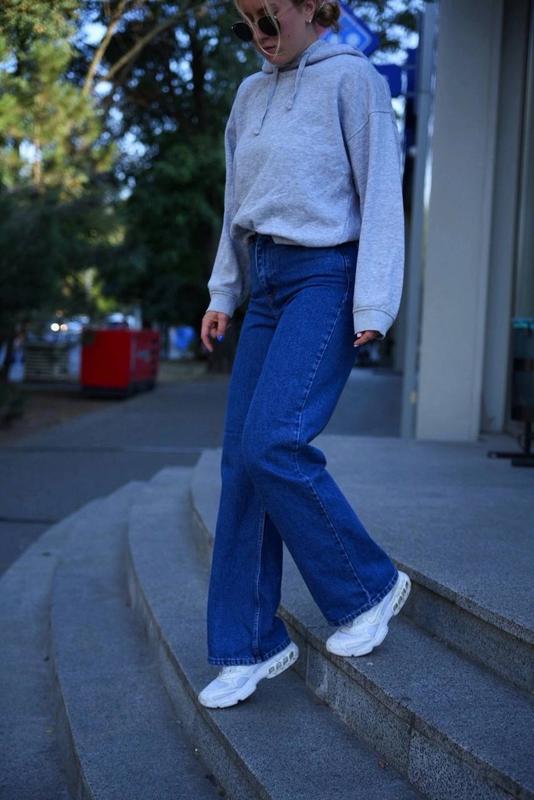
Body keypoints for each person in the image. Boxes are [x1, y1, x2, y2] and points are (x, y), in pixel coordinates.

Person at [198, 0, 411, 709]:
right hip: (264, 281)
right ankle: (250, 644)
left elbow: (381, 195)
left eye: (268, 19)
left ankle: (368, 588)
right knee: (241, 463)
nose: (259, 37)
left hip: (325, 275)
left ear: (312, 7)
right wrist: (223, 292)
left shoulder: (353, 80)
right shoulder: (248, 95)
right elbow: (236, 203)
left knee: (274, 441)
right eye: (245, 24)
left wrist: (374, 302)